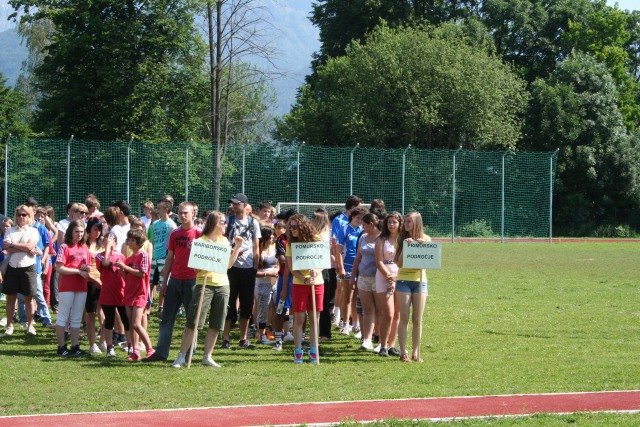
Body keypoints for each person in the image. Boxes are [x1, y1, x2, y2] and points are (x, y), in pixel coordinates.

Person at [171, 212, 244, 368]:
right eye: (223, 222)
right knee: (194, 322)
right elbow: (196, 268)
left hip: (222, 285)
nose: (226, 225)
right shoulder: (200, 242)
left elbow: (228, 265)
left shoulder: (225, 241)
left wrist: (237, 247)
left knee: (217, 323)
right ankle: (181, 356)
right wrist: (206, 259)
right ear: (214, 223)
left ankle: (207, 356)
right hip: (204, 284)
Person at [144, 201, 201, 362]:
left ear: (193, 214)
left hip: (192, 280)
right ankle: (161, 353)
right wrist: (164, 283)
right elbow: (169, 258)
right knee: (167, 318)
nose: (182, 215)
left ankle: (189, 352)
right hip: (175, 280)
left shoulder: (199, 234)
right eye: (180, 212)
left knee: (191, 320)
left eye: (186, 213)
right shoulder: (175, 233)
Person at [221, 193, 261, 349]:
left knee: (247, 303)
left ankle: (243, 338)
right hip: (231, 267)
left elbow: (256, 245)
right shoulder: (228, 220)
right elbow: (222, 241)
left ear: (245, 205)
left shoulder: (253, 222)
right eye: (233, 204)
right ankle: (225, 337)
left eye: (237, 203)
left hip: (248, 268)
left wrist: (255, 266)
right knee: (229, 302)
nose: (234, 206)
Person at [285, 214, 324, 364]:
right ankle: (298, 352)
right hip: (299, 284)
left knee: (314, 318)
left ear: (303, 226)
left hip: (317, 283)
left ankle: (314, 351)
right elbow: (292, 268)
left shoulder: (317, 240)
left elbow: (322, 261)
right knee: (299, 318)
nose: (292, 229)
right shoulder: (291, 244)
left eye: (295, 226)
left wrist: (316, 272)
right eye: (290, 227)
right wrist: (304, 278)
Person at [394, 212, 431, 363]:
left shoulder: (427, 239)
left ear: (417, 223)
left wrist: (422, 248)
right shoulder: (401, 238)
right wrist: (406, 247)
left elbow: (430, 262)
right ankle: (403, 352)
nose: (406, 224)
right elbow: (399, 263)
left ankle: (416, 352)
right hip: (403, 280)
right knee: (404, 317)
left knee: (417, 319)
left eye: (409, 221)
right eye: (406, 221)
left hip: (420, 281)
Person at [2, 205, 40, 337]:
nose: (21, 217)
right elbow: (7, 248)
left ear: (29, 216)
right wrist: (25, 248)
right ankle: (9, 326)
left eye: (24, 215)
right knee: (10, 298)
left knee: (29, 298)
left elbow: (30, 246)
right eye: (19, 215)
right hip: (12, 267)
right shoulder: (10, 230)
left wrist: (13, 245)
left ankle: (30, 326)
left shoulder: (33, 231)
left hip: (28, 267)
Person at [117, 228, 154, 361]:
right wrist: (121, 270)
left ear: (139, 242)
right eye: (129, 239)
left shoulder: (143, 255)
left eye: (132, 240)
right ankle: (135, 351)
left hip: (140, 294)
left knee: (136, 324)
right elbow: (126, 278)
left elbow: (142, 273)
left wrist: (125, 267)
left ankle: (150, 349)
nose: (130, 242)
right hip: (129, 294)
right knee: (132, 325)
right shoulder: (128, 259)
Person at [55, 219, 91, 356]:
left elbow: (88, 266)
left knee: (76, 318)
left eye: (81, 232)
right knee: (63, 317)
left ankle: (75, 346)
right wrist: (77, 271)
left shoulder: (85, 247)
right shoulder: (65, 247)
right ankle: (61, 347)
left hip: (81, 286)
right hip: (67, 287)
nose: (79, 234)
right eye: (76, 231)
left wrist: (86, 268)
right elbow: (59, 268)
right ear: (71, 231)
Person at [350, 212, 382, 350]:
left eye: (364, 225)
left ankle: (379, 337)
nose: (362, 227)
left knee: (380, 310)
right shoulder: (363, 237)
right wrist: (353, 275)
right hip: (363, 277)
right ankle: (367, 339)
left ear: (372, 224)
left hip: (378, 278)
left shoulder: (382, 237)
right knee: (367, 310)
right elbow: (358, 258)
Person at [330, 195, 362, 329]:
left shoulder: (361, 228)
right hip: (343, 262)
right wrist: (338, 262)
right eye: (359, 207)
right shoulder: (339, 220)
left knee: (354, 294)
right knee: (341, 290)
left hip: (357, 265)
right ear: (353, 208)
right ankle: (339, 318)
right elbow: (335, 242)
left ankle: (353, 322)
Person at [374, 212, 403, 357]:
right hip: (383, 276)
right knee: (388, 314)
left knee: (397, 314)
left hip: (400, 276)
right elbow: (379, 261)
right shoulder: (381, 239)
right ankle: (383, 346)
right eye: (389, 222)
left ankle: (392, 345)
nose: (391, 225)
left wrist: (396, 277)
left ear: (400, 224)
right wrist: (389, 277)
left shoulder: (404, 240)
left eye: (394, 222)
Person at [96, 234, 129, 358]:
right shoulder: (99, 256)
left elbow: (125, 273)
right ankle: (109, 347)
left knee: (126, 320)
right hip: (107, 293)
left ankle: (130, 345)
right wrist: (108, 248)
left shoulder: (121, 256)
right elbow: (105, 263)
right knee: (109, 320)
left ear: (116, 242)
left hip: (121, 292)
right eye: (105, 241)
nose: (108, 243)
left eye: (110, 241)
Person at [148, 200, 177, 316]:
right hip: (154, 258)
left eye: (159, 208)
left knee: (163, 284)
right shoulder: (155, 224)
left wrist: (169, 261)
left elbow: (173, 245)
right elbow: (152, 241)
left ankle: (162, 307)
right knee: (150, 283)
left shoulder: (172, 225)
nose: (157, 210)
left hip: (164, 258)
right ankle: (148, 306)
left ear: (166, 209)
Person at [254, 226, 279, 345]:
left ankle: (276, 332)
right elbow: (254, 272)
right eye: (271, 235)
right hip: (262, 285)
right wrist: (268, 273)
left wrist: (277, 269)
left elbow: (278, 264)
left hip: (274, 283)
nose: (273, 237)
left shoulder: (274, 249)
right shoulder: (258, 251)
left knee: (277, 307)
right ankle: (261, 335)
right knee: (263, 309)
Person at [85, 216, 104, 354]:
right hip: (90, 282)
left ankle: (103, 341)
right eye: (95, 229)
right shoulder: (84, 245)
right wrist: (95, 280)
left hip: (104, 281)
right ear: (89, 230)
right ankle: (92, 344)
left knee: (104, 312)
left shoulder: (102, 244)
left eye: (99, 230)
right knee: (90, 313)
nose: (98, 232)